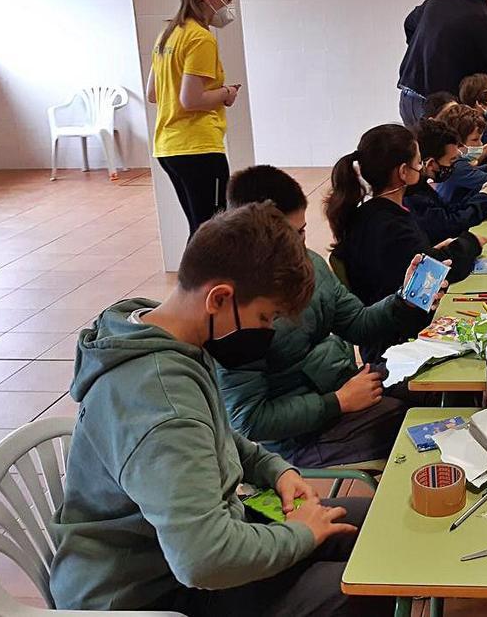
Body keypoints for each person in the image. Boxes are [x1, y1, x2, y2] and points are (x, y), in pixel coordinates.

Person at [50, 203, 390, 616]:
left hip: (184, 550)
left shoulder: (161, 333)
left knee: (370, 528)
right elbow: (203, 560)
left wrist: (275, 469)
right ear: (220, 298)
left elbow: (216, 437)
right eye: (266, 317)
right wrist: (301, 536)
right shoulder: (162, 404)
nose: (267, 332)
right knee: (366, 590)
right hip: (150, 595)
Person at [219, 166, 436, 468]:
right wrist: (337, 402)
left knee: (436, 382)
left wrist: (405, 301)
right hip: (304, 438)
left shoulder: (310, 264)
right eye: (286, 235)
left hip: (344, 389)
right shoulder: (235, 309)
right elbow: (249, 420)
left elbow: (359, 324)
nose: (297, 244)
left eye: (302, 231)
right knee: (431, 427)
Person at [327, 124, 483, 306]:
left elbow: (409, 258)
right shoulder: (393, 226)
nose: (421, 167)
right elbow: (434, 274)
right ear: (403, 172)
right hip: (401, 322)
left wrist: (433, 251)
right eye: (418, 162)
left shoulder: (369, 213)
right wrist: (470, 242)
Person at [146, 0, 242, 238]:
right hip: (197, 147)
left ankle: (195, 282)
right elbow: (191, 99)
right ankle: (199, 282)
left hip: (168, 148)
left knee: (200, 229)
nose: (229, 6)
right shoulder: (200, 38)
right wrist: (227, 93)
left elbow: (154, 93)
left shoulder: (168, 33)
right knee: (212, 232)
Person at [406, 119, 487, 244]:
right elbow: (450, 225)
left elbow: (449, 211)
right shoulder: (413, 197)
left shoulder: (421, 186)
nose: (453, 166)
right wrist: (484, 199)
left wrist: (482, 194)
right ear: (430, 164)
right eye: (451, 161)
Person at [434, 104, 487, 206]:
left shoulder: (455, 162)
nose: (480, 144)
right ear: (457, 142)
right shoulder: (456, 166)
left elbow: (471, 173)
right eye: (475, 140)